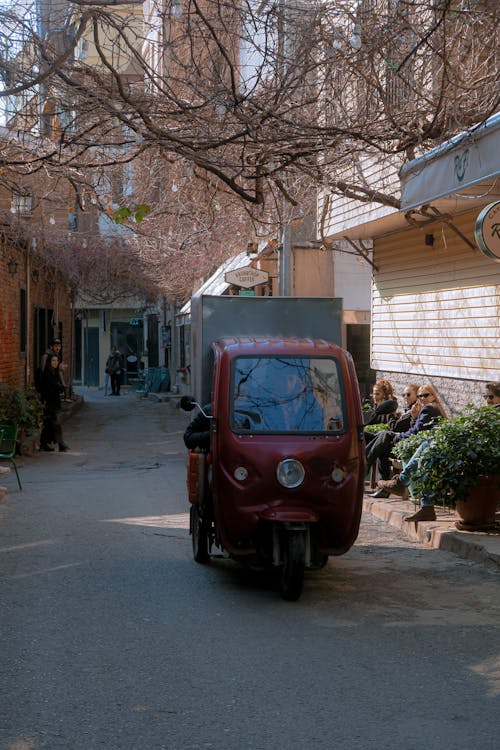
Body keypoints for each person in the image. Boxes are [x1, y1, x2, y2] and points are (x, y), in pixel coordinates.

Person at [377, 381, 500, 520]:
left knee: (429, 450)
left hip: (478, 455)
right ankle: (415, 495)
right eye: (485, 397)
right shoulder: (489, 413)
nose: (487, 401)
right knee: (427, 447)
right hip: (469, 450)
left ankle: (405, 485)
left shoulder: (494, 415)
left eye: (491, 397)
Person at [366, 383, 447, 496]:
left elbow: (414, 432)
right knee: (383, 441)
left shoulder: (428, 408)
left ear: (433, 396)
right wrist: (414, 418)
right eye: (420, 396)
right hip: (419, 444)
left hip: (418, 447)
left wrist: (397, 435)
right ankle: (378, 481)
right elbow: (418, 429)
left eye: (425, 395)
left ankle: (365, 464)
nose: (422, 398)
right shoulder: (429, 408)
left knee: (385, 436)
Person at [39, 354, 69, 452]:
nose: (55, 363)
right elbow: (54, 387)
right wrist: (60, 387)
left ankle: (43, 444)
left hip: (54, 402)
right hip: (49, 403)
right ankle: (61, 444)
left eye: (56, 361)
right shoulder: (47, 374)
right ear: (49, 362)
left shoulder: (54, 372)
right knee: (56, 424)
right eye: (53, 361)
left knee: (48, 424)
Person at [364, 379, 399, 445]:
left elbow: (392, 428)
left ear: (384, 395)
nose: (374, 397)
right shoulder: (373, 408)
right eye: (373, 394)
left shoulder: (388, 411)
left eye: (377, 394)